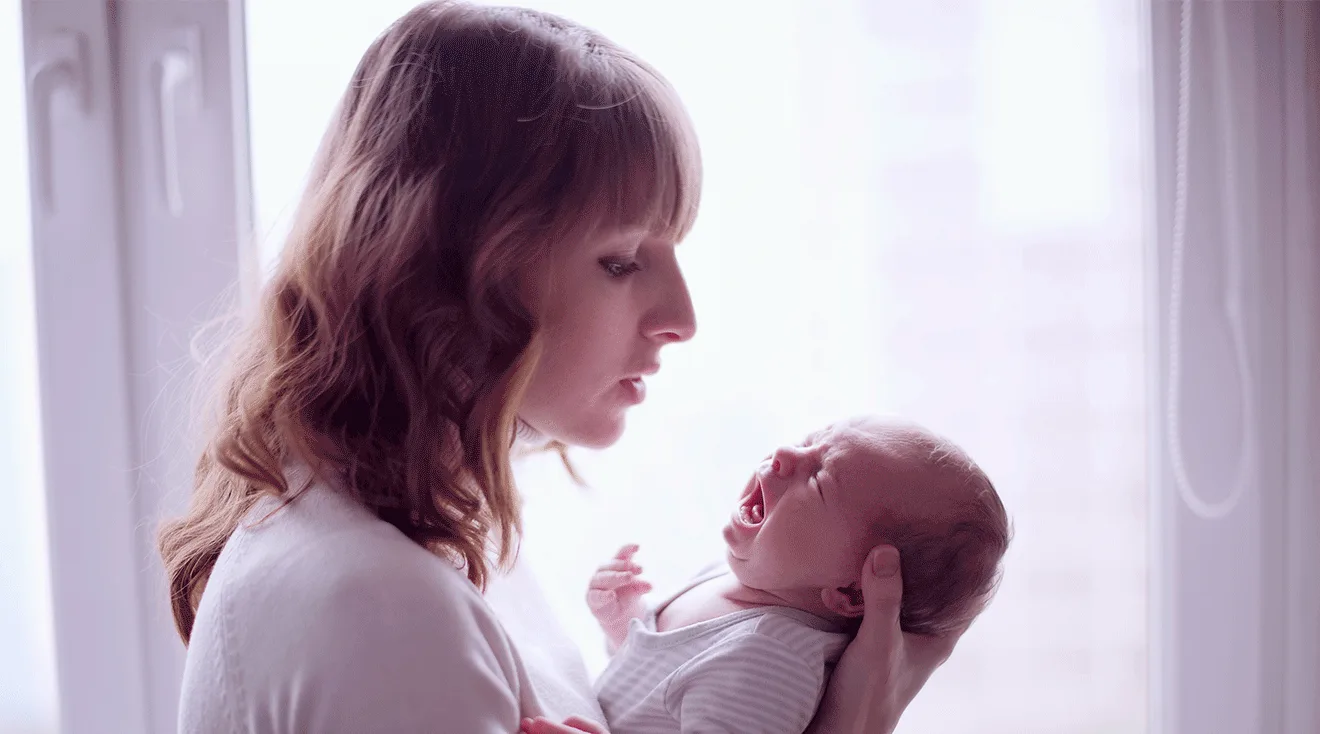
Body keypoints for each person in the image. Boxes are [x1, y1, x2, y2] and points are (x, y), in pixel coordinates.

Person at [157, 3, 967, 732]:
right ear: (450, 270)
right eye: (621, 261)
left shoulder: (443, 537)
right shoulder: (382, 612)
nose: (682, 319)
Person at [520, 417, 1009, 734]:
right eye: (809, 441)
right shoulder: (734, 581)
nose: (784, 454)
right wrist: (626, 620)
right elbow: (666, 682)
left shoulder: (769, 658)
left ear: (850, 591)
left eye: (819, 479)